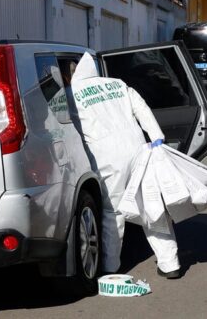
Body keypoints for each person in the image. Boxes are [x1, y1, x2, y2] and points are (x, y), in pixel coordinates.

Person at [70, 53, 182, 279]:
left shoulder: (72, 94)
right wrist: (157, 138)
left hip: (107, 159)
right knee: (152, 207)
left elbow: (70, 128)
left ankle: (110, 267)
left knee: (114, 213)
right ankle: (171, 264)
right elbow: (141, 108)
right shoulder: (117, 84)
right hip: (138, 149)